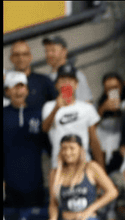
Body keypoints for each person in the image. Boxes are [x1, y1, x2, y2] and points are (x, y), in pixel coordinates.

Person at [41, 134, 118, 220]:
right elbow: (53, 202)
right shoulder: (55, 173)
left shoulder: (91, 167)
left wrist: (89, 210)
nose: (68, 152)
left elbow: (112, 192)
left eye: (72, 148)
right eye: (64, 148)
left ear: (81, 150)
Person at [42, 63, 104, 168]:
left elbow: (94, 141)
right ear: (57, 84)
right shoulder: (49, 106)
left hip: (84, 163)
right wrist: (56, 108)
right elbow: (45, 129)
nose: (67, 84)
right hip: (59, 165)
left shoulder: (87, 107)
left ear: (76, 84)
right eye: (63, 80)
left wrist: (101, 169)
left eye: (70, 80)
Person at [3, 72, 49, 208]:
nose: (18, 91)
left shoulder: (39, 112)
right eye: (14, 87)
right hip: (9, 183)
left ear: (27, 90)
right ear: (6, 91)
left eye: (21, 86)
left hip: (36, 180)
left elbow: (49, 144)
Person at [42, 36, 93, 102]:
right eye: (46, 51)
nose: (49, 54)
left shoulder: (76, 75)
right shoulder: (45, 79)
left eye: (53, 50)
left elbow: (86, 103)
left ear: (64, 52)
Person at [9, 40, 57, 109]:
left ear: (30, 57)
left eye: (24, 54)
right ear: (11, 58)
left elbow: (57, 106)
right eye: (17, 55)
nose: (21, 58)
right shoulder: (6, 84)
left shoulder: (44, 81)